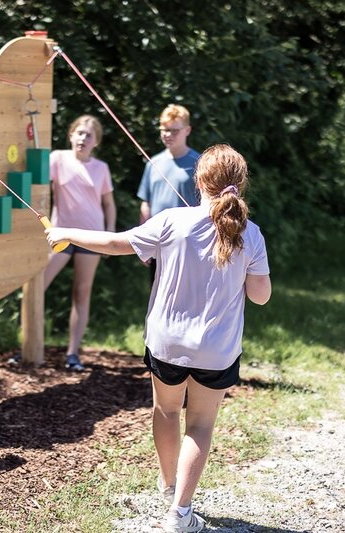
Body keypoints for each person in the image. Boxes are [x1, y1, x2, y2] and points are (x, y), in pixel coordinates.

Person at [45, 144, 271, 532]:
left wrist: (65, 233)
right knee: (200, 425)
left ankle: (169, 489)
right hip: (216, 351)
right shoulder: (250, 233)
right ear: (241, 184)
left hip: (166, 343)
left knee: (166, 412)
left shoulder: (171, 221)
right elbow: (260, 296)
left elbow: (116, 243)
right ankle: (181, 512)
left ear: (198, 181)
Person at [41, 114, 116, 372]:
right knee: (37, 286)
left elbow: (108, 204)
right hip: (60, 234)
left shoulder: (101, 168)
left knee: (81, 293)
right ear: (71, 135)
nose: (83, 138)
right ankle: (29, 347)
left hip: (92, 236)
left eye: (89, 135)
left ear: (96, 142)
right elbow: (39, 188)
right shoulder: (57, 159)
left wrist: (110, 234)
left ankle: (72, 353)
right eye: (80, 133)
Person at [136, 104, 200, 281]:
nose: (168, 135)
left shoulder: (200, 163)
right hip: (159, 244)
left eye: (174, 130)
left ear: (187, 130)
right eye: (164, 129)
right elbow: (146, 204)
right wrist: (144, 242)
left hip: (189, 246)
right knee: (157, 300)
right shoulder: (153, 163)